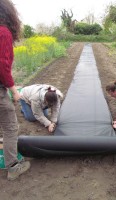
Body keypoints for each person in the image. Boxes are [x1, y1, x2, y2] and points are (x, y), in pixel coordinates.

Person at [0, 0, 31, 180]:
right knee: (10, 127)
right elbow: (2, 65)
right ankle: (12, 167)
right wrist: (13, 89)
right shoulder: (3, 32)